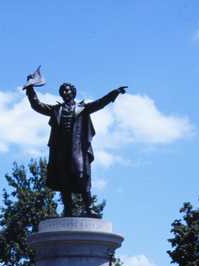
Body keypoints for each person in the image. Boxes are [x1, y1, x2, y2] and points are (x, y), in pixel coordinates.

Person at [25, 81, 127, 216]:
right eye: (62, 91)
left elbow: (100, 103)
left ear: (73, 92)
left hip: (77, 149)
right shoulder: (55, 110)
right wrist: (30, 89)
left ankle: (89, 207)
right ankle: (68, 209)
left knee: (82, 176)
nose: (65, 93)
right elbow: (37, 105)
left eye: (67, 90)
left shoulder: (82, 108)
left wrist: (115, 92)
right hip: (60, 149)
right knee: (63, 179)